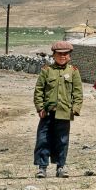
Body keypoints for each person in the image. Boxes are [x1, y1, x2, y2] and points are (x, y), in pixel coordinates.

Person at [32, 40, 82, 178]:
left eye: (65, 54)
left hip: (64, 112)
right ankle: (42, 168)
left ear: (70, 56)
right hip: (47, 112)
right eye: (59, 54)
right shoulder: (46, 71)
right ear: (53, 55)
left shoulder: (73, 72)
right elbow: (39, 91)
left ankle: (61, 167)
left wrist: (75, 109)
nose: (62, 57)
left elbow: (78, 93)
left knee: (62, 140)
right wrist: (40, 108)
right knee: (43, 139)